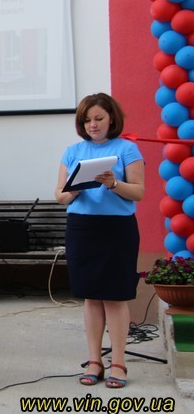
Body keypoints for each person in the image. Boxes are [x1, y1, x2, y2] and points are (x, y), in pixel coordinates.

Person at [55, 93, 144, 389]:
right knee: (91, 296)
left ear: (111, 119)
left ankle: (118, 362)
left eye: (98, 119)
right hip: (83, 228)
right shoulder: (72, 151)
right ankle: (95, 360)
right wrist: (76, 189)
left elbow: (139, 192)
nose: (93, 125)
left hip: (117, 229)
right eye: (87, 120)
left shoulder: (127, 149)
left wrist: (114, 184)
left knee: (115, 296)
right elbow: (60, 196)